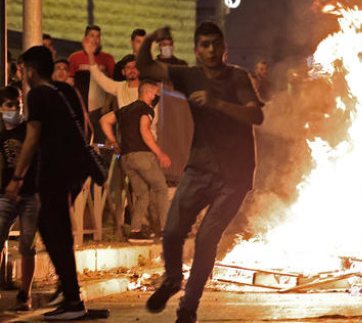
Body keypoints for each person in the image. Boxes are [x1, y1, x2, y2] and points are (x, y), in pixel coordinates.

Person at [137, 22, 263, 323]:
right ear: (195, 50)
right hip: (200, 167)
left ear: (224, 48)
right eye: (204, 45)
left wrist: (217, 103)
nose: (210, 50)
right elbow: (146, 66)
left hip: (235, 175)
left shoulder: (238, 77)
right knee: (171, 231)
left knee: (207, 239)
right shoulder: (189, 75)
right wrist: (152, 39)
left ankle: (188, 306)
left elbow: (256, 114)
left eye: (215, 44)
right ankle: (171, 280)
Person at [9, 46, 88, 320]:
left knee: (54, 231)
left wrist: (17, 179)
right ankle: (70, 295)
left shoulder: (38, 94)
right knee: (55, 230)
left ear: (30, 70)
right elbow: (83, 127)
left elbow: (31, 139)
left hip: (54, 172)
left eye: (21, 70)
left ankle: (73, 300)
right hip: (71, 172)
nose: (21, 75)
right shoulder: (63, 91)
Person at [101, 80, 171, 244]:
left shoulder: (125, 110)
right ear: (147, 93)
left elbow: (104, 120)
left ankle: (135, 232)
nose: (156, 96)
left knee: (141, 195)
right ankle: (165, 230)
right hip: (142, 156)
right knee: (161, 188)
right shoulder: (146, 109)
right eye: (155, 93)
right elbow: (145, 131)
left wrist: (114, 142)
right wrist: (160, 153)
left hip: (126, 158)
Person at [0, 86, 39, 311]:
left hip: (30, 194)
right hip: (4, 194)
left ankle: (26, 294)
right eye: (9, 105)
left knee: (27, 245)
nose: (14, 109)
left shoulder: (29, 131)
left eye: (17, 105)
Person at [68, 25, 115, 143]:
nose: (95, 39)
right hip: (81, 108)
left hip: (101, 109)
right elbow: (70, 83)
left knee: (99, 142)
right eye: (92, 36)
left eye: (98, 36)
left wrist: (107, 103)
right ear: (85, 38)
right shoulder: (75, 58)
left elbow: (112, 85)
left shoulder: (107, 58)